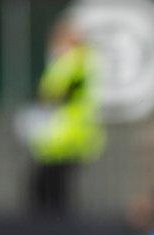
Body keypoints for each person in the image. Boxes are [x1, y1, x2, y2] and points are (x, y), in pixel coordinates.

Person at [28, 17, 105, 214]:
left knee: (52, 189)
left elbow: (51, 93)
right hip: (65, 136)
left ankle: (54, 233)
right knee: (54, 189)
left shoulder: (73, 61)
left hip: (66, 137)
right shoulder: (82, 60)